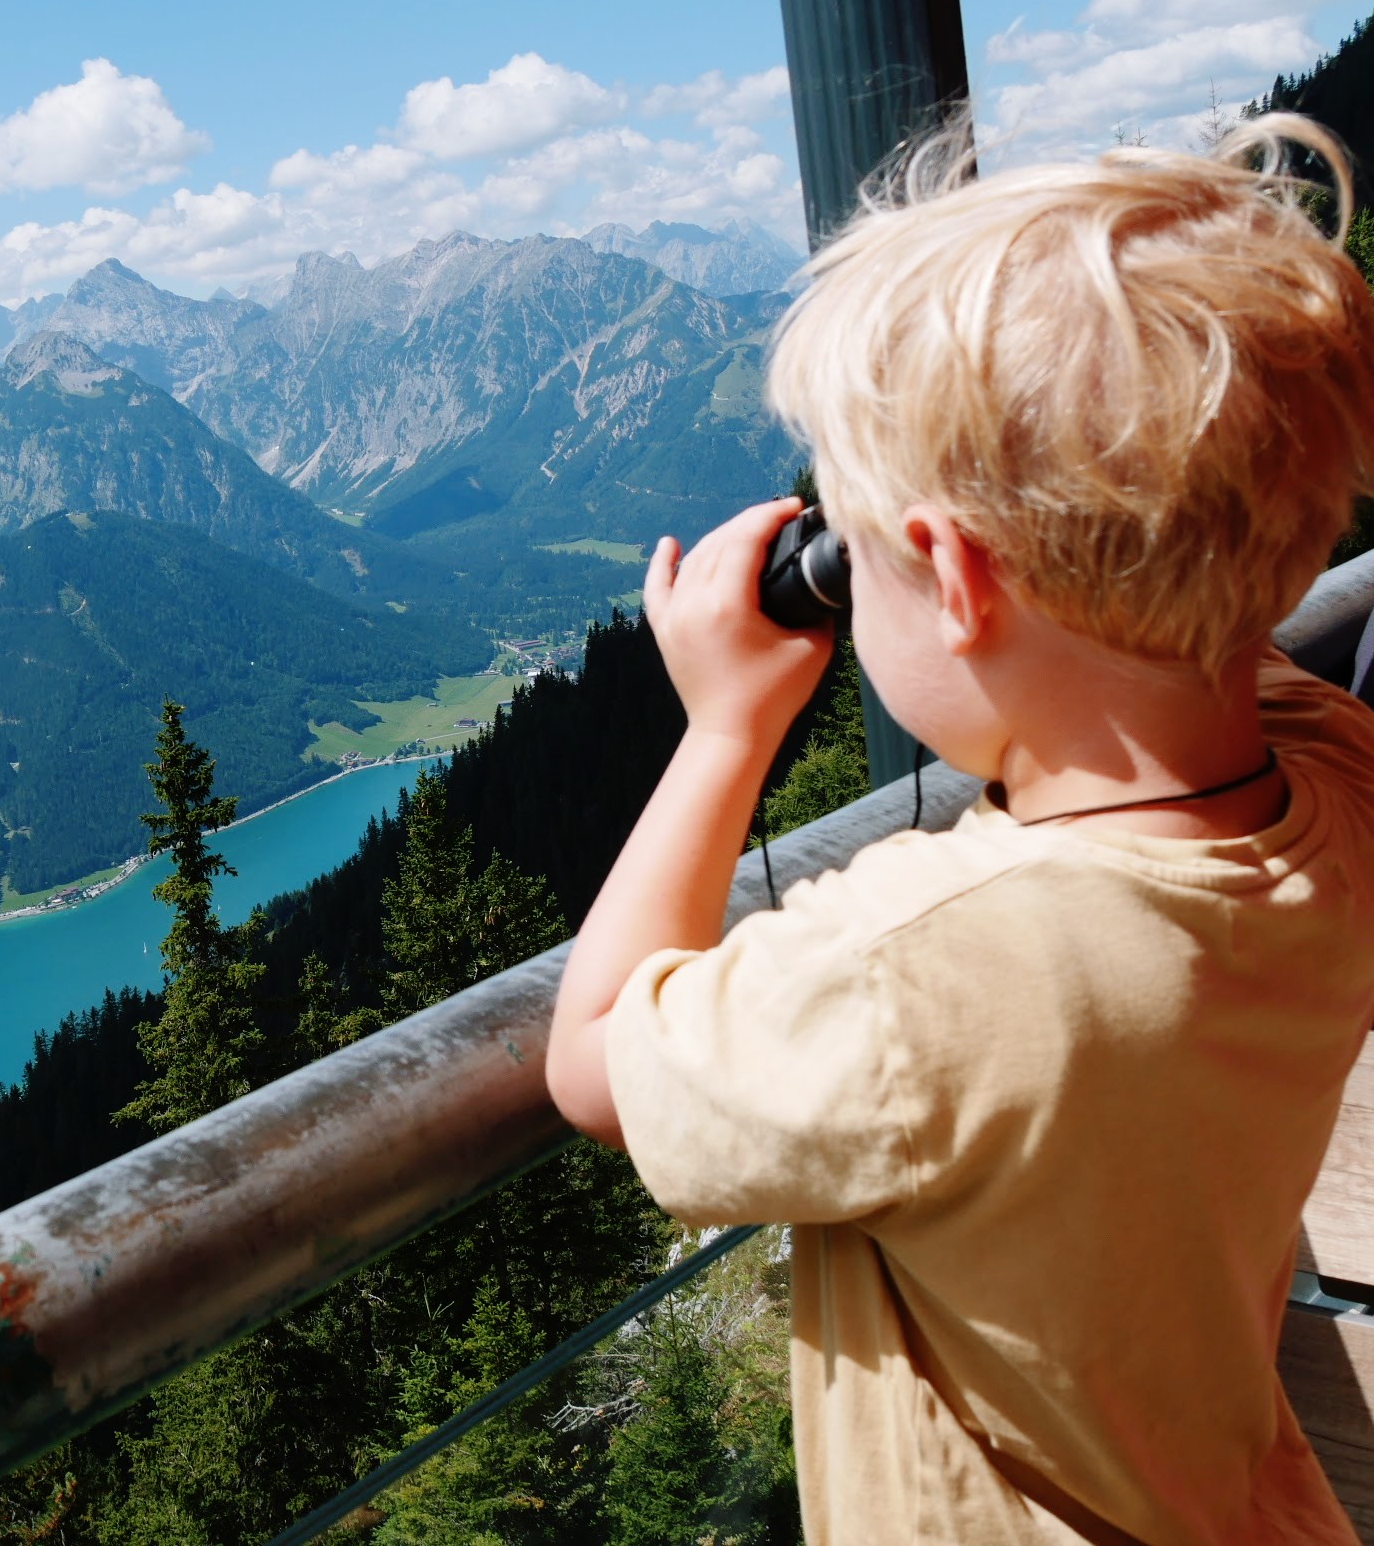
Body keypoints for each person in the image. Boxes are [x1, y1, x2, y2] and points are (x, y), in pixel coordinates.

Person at [545, 117, 1374, 1542]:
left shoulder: (918, 972)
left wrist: (725, 728)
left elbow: (595, 1056)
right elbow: (1227, 635)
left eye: (853, 559)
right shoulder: (1339, 795)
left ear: (949, 573)